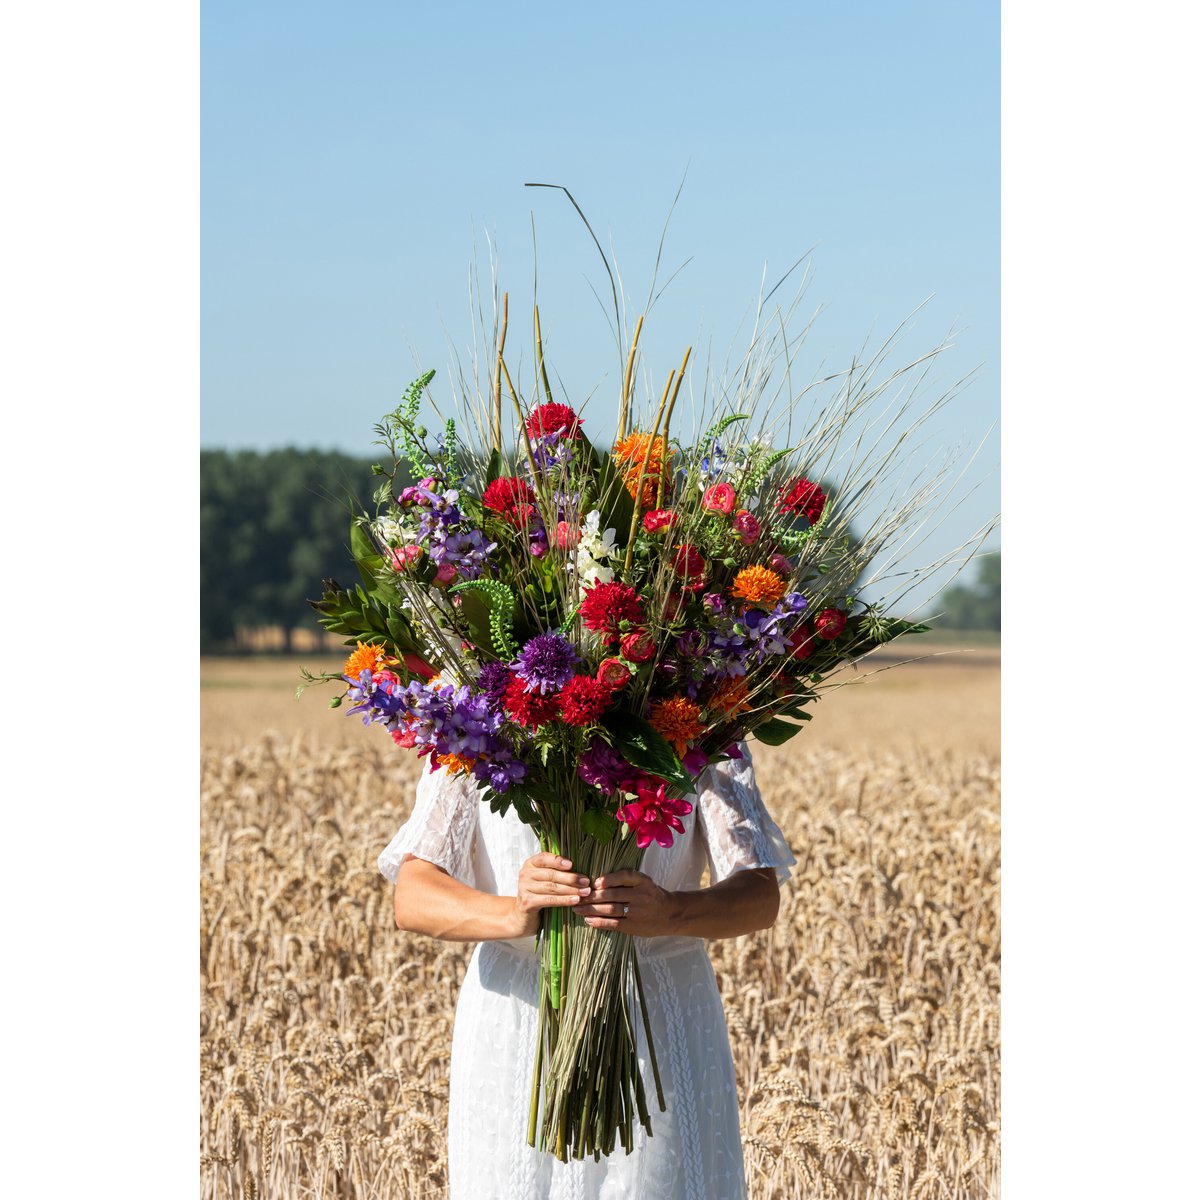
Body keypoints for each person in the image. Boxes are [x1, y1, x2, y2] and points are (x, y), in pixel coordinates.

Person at [378, 740, 795, 1200]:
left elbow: (760, 893)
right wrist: (513, 913)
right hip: (517, 1025)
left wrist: (671, 912)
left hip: (657, 1022)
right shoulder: (474, 714)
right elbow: (413, 896)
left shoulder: (703, 709)